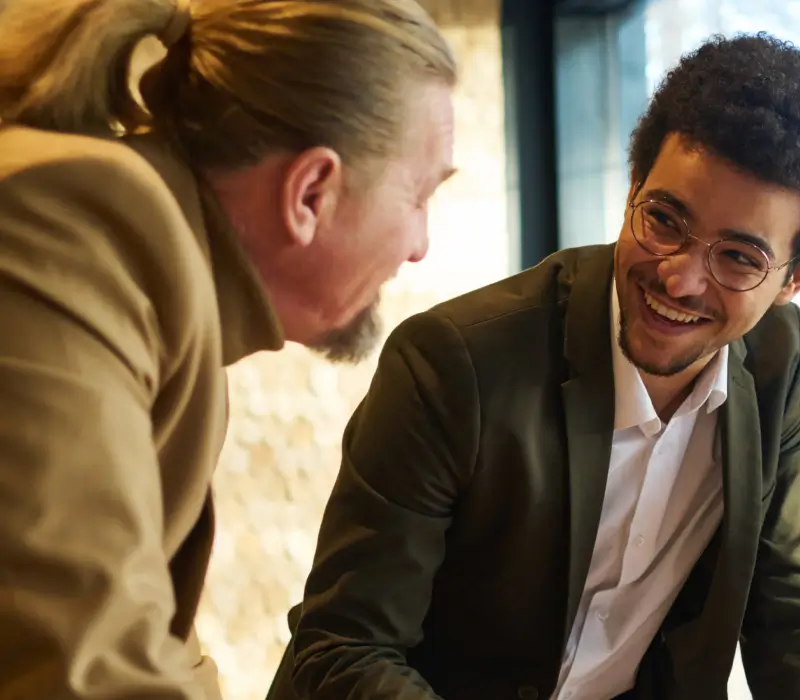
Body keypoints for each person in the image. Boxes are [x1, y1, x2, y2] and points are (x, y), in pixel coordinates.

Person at [266, 32, 800, 700]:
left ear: (797, 278)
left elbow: (787, 595)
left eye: (738, 258)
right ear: (632, 190)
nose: (679, 279)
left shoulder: (776, 358)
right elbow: (344, 650)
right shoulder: (454, 363)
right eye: (664, 219)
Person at [0, 0, 457, 698]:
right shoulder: (73, 225)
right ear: (310, 193)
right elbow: (82, 665)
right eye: (420, 196)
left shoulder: (167, 291)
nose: (420, 246)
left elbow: (157, 640)